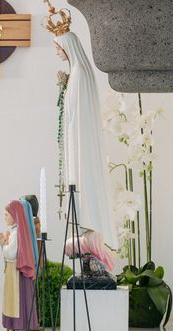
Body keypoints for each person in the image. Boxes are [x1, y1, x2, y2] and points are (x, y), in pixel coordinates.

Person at [47, 4, 117, 260]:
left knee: (85, 194)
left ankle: (91, 234)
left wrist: (65, 89)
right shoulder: (78, 73)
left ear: (67, 46)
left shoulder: (78, 75)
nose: (57, 53)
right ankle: (89, 237)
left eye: (57, 49)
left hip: (81, 146)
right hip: (80, 143)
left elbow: (75, 118)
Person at [0, 200, 38, 331]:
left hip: (15, 274)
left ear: (15, 215)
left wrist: (3, 244)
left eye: (7, 214)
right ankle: (17, 329)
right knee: (14, 299)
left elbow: (11, 253)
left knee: (16, 300)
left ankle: (20, 329)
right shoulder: (17, 231)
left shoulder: (16, 233)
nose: (5, 217)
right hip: (13, 271)